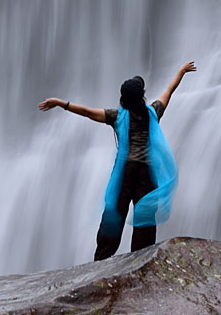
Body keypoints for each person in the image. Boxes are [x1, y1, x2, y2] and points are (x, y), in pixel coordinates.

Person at [38, 61, 197, 260]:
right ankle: (140, 260)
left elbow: (87, 112)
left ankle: (102, 260)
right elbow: (169, 91)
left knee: (114, 214)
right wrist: (181, 71)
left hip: (125, 172)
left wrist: (61, 103)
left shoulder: (116, 116)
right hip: (147, 174)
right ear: (142, 97)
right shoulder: (153, 112)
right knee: (145, 220)